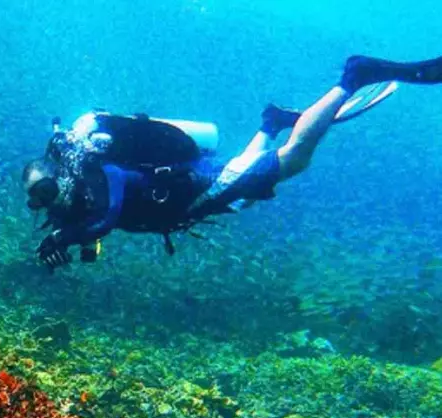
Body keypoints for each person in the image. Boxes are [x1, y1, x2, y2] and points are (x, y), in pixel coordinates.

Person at [23, 55, 442, 271]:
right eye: (35, 201)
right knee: (241, 193)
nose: (44, 201)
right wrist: (66, 234)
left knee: (293, 161)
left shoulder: (99, 172)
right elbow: (94, 225)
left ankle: (353, 78)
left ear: (58, 172)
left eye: (44, 190)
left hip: (197, 189)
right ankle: (271, 123)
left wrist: (64, 238)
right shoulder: (76, 195)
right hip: (196, 196)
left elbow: (108, 216)